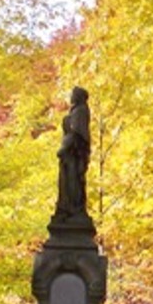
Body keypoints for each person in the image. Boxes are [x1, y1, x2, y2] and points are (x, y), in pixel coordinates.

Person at [54, 87, 91, 220]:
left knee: (72, 183)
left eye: (73, 95)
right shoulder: (77, 111)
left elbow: (77, 133)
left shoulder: (80, 111)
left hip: (73, 155)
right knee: (66, 184)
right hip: (69, 154)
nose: (71, 97)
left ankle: (72, 209)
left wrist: (64, 149)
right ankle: (67, 208)